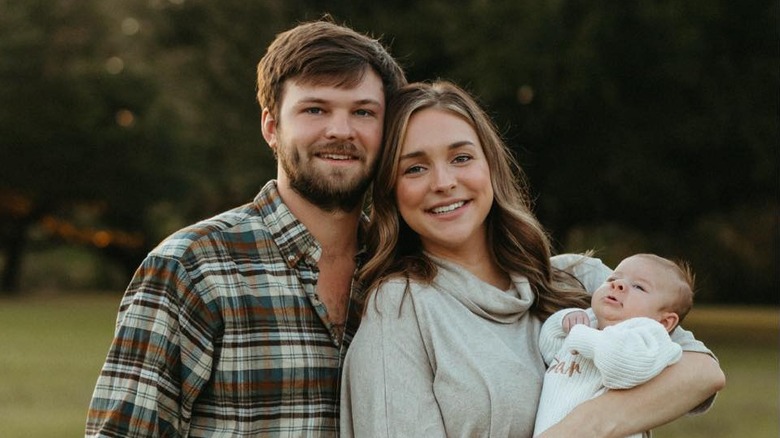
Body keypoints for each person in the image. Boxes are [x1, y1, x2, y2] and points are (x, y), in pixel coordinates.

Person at [339, 80, 725, 437]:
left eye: (460, 158)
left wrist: (584, 426)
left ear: (490, 165)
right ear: (391, 190)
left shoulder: (581, 281)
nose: (442, 182)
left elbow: (702, 371)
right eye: (415, 168)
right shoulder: (401, 310)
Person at [85, 18, 406, 437]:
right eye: (315, 109)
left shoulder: (402, 268)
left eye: (363, 112)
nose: (341, 131)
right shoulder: (192, 267)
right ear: (271, 127)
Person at [533, 253, 697, 437]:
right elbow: (549, 347)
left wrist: (579, 333)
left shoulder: (649, 336)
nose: (617, 285)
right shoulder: (589, 320)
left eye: (639, 287)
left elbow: (620, 368)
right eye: (613, 278)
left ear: (665, 322)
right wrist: (563, 320)